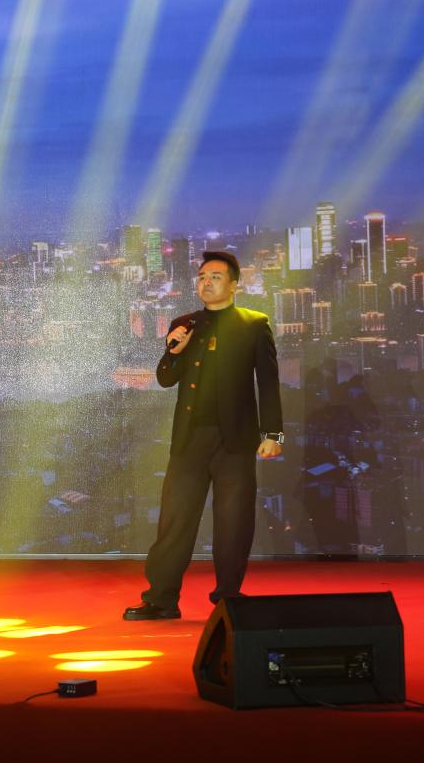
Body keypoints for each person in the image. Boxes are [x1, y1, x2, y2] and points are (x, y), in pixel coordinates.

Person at [124, 251, 282, 620]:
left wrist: (273, 434)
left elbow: (268, 383)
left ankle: (228, 598)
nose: (206, 283)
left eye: (215, 276)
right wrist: (173, 351)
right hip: (189, 438)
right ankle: (161, 599)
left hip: (235, 440)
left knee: (233, 522)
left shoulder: (254, 324)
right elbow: (166, 378)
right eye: (202, 277)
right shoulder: (185, 324)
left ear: (234, 285)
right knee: (175, 520)